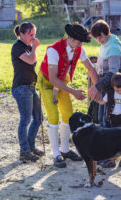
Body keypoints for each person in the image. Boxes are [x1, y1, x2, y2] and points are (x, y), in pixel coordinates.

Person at [37, 24, 100, 168]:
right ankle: (56, 154)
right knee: (53, 116)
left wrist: (97, 87)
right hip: (47, 81)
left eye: (82, 42)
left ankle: (65, 150)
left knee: (68, 115)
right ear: (70, 38)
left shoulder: (79, 49)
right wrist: (74, 92)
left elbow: (90, 68)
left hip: (62, 81)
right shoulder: (53, 50)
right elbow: (53, 79)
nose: (80, 45)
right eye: (78, 41)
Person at [11, 22, 44, 162]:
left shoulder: (27, 46)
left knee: (39, 118)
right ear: (22, 34)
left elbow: (32, 63)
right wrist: (35, 47)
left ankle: (30, 146)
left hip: (31, 86)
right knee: (25, 119)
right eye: (31, 34)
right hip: (21, 87)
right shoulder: (17, 46)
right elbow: (31, 61)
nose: (33, 37)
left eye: (34, 34)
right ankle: (24, 151)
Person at [88, 19, 121, 128]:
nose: (99, 40)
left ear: (107, 32)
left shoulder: (113, 47)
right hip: (105, 85)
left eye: (101, 37)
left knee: (107, 119)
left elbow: (113, 72)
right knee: (101, 118)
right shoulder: (105, 44)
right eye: (97, 38)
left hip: (113, 86)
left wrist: (97, 87)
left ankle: (110, 144)